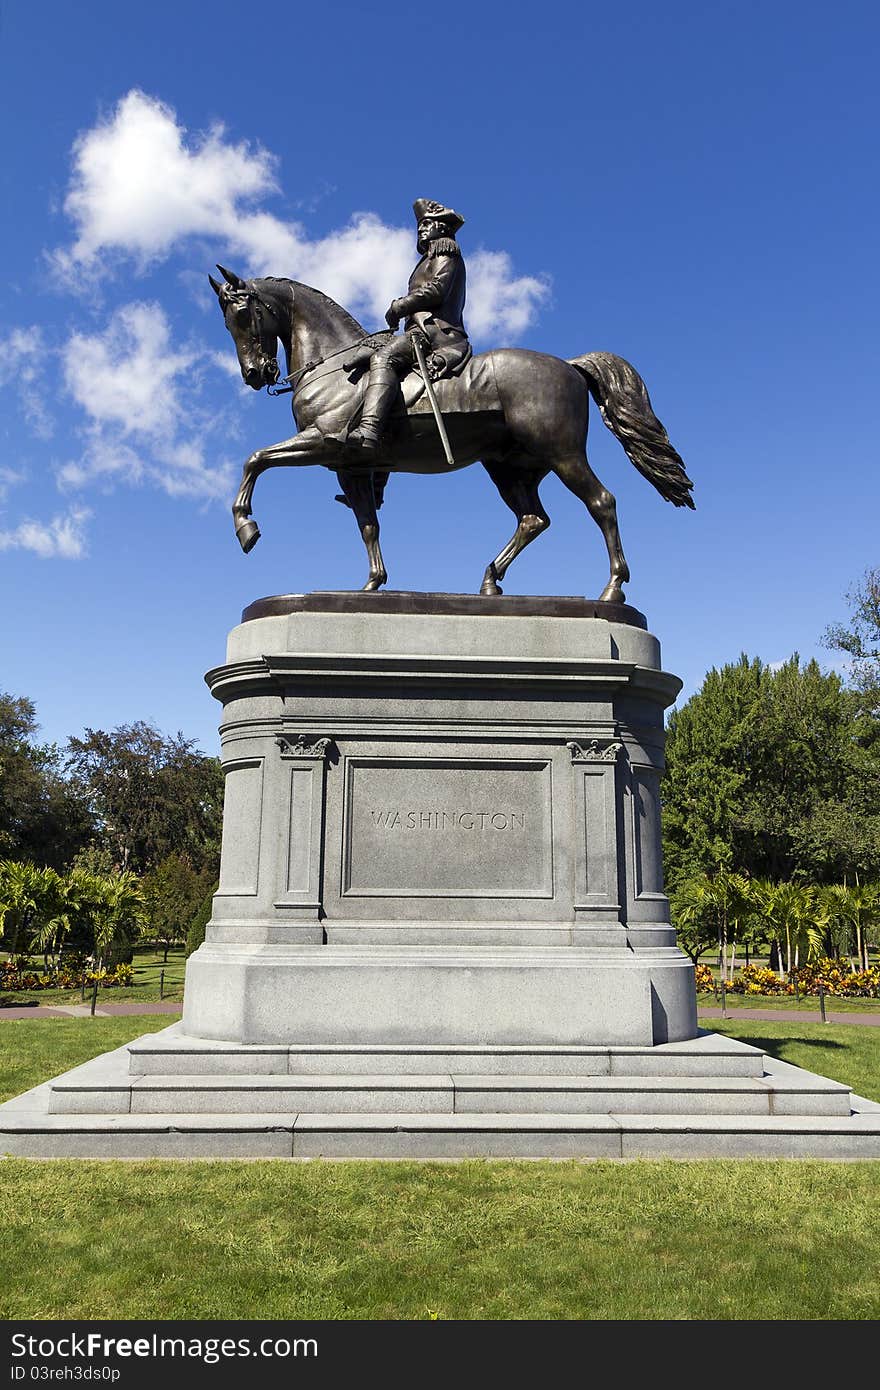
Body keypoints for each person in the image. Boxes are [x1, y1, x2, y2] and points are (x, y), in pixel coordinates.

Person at [346, 198, 471, 453]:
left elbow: (436, 290)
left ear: (442, 228)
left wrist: (399, 306)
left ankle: (369, 429)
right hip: (418, 331)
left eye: (427, 224)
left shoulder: (445, 253)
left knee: (384, 357)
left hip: (435, 334)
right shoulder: (427, 260)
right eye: (419, 226)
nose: (421, 229)